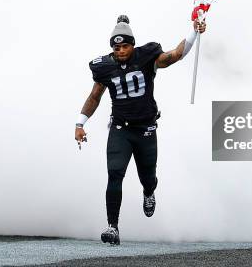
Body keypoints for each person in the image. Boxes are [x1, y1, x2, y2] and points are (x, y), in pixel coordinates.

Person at [74, 14, 206, 245]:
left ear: (133, 45)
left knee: (148, 177)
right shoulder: (104, 67)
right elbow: (95, 95)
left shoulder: (147, 56)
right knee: (115, 174)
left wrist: (193, 32)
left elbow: (175, 55)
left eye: (125, 46)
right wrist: (79, 123)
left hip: (145, 129)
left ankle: (148, 192)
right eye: (117, 47)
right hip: (120, 129)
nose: (121, 50)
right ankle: (112, 226)